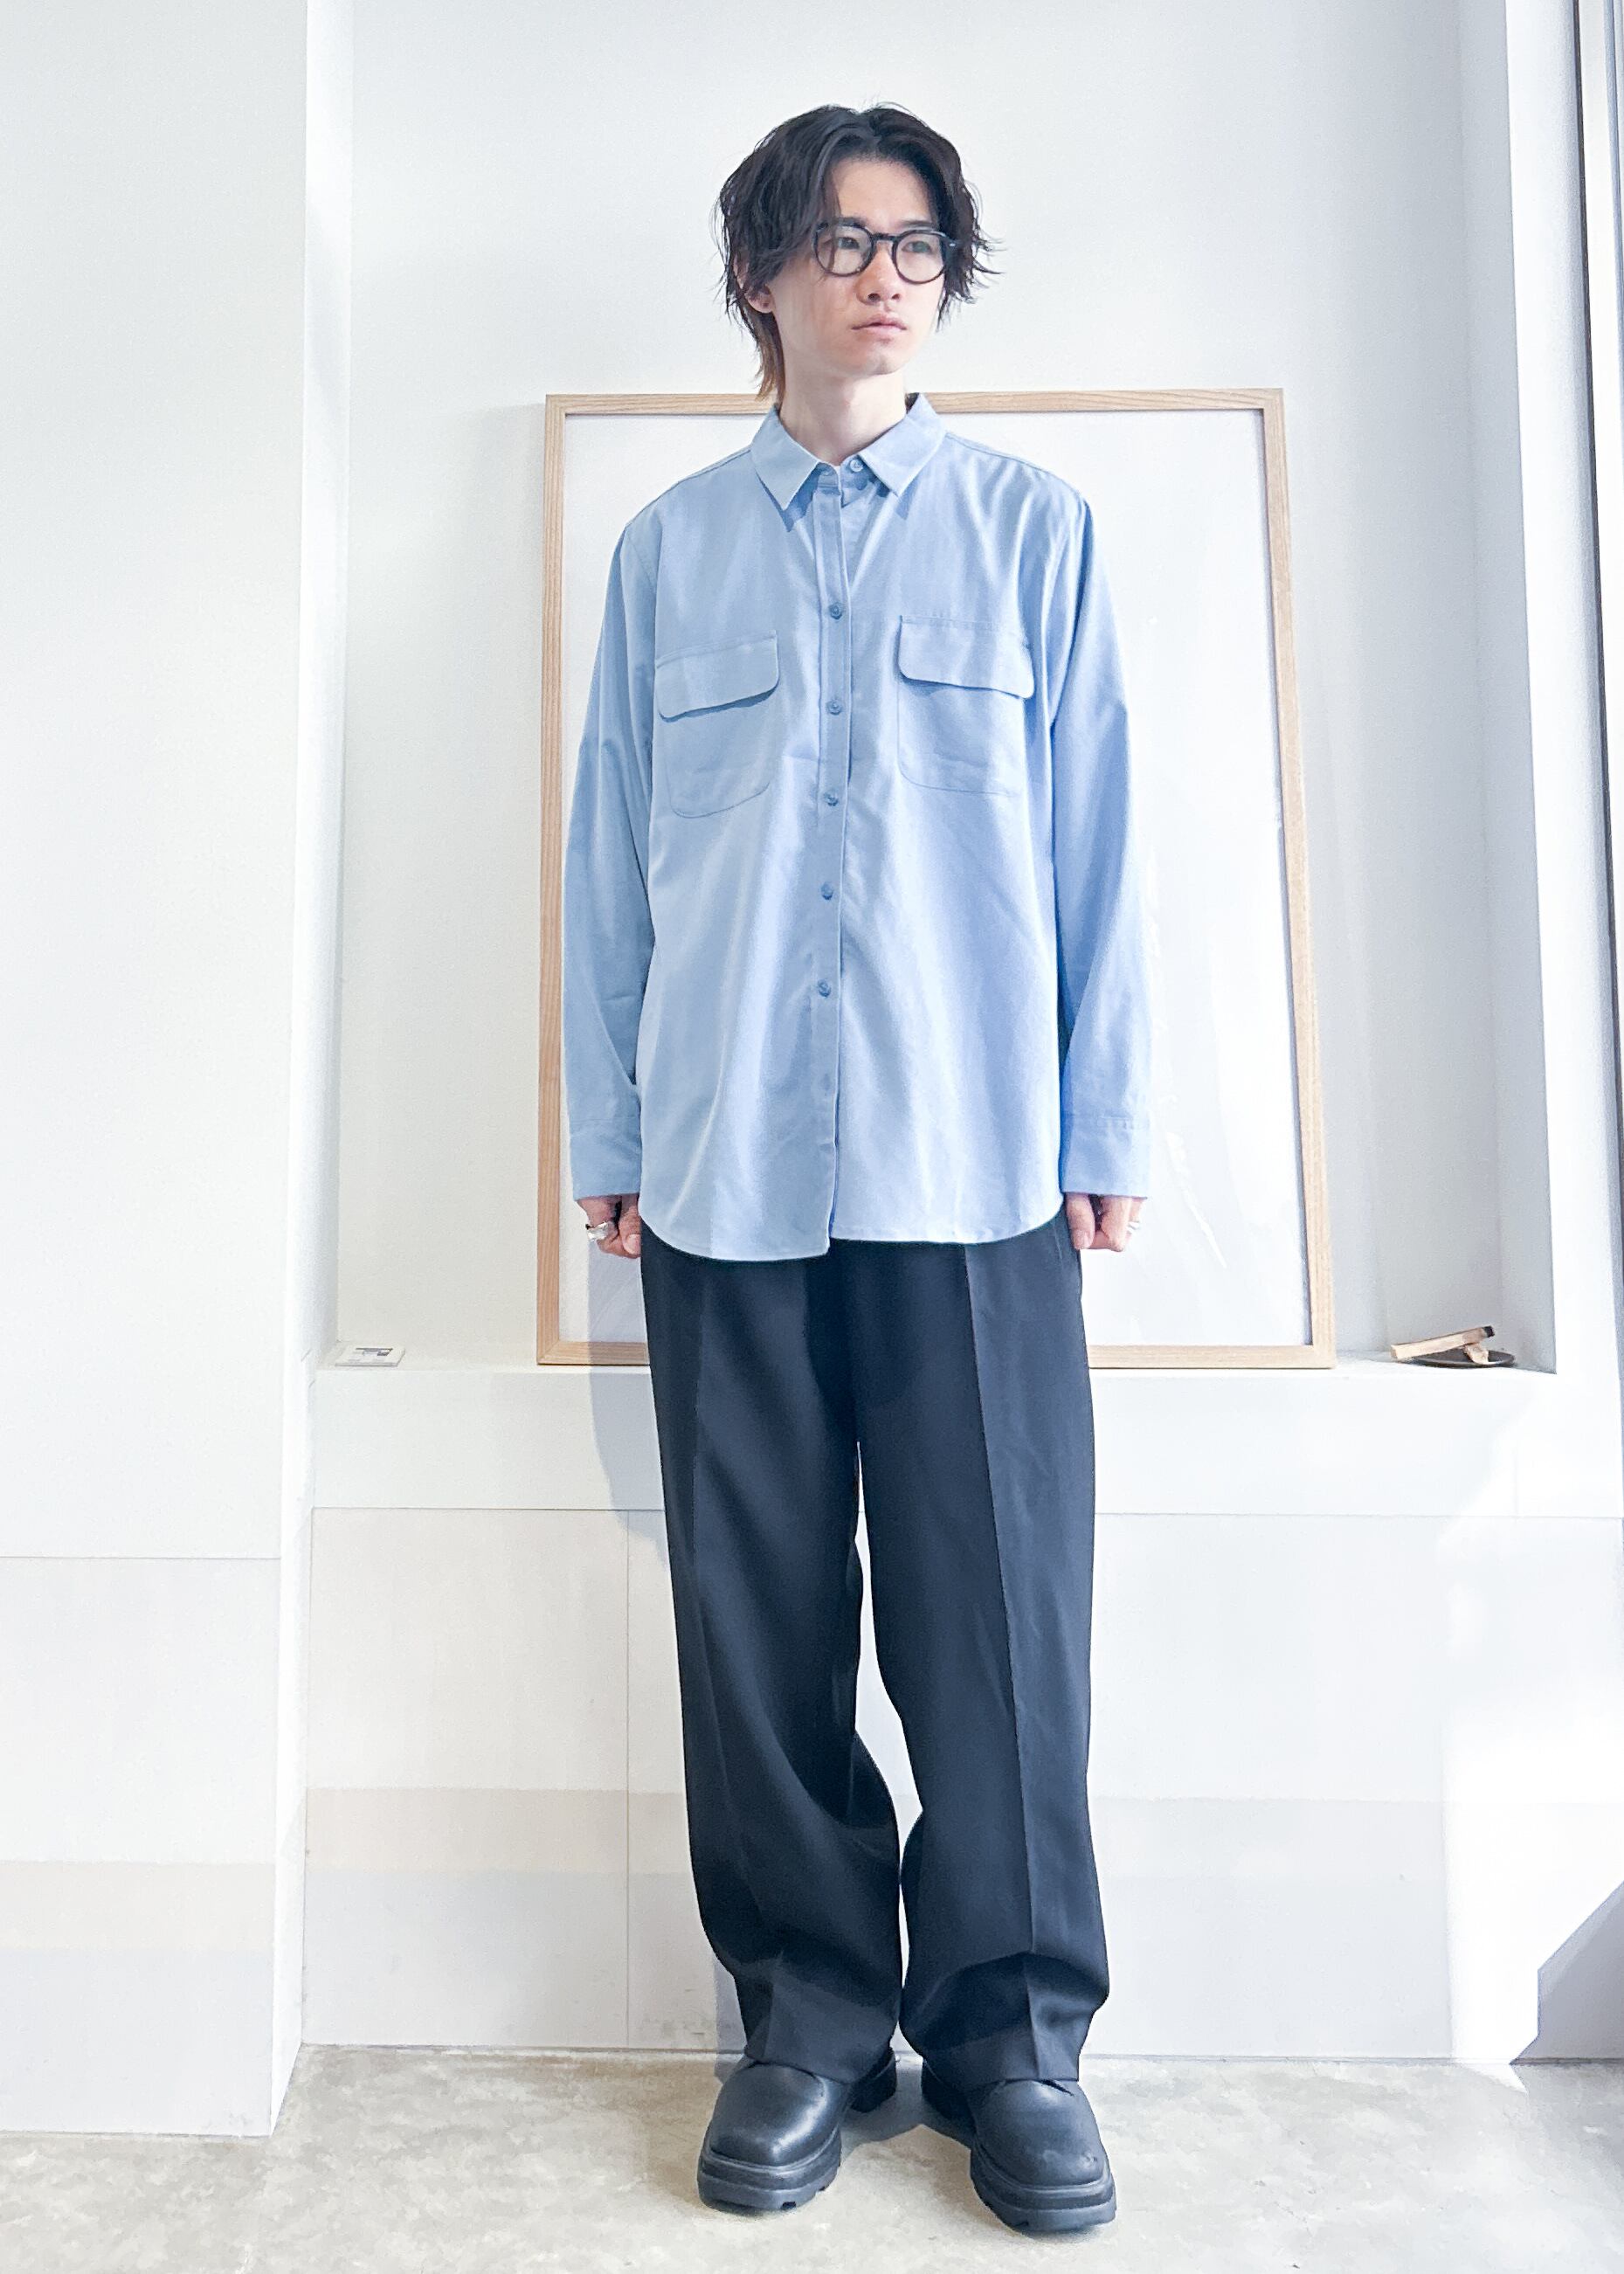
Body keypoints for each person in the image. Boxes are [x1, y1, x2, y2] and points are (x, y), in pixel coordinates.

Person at [563, 100, 1150, 2237]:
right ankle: (808, 2019)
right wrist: (611, 1127)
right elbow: (611, 859)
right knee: (758, 1624)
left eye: (913, 244)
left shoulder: (1033, 534)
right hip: (725, 1165)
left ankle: (1014, 2039)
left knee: (998, 1624)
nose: (882, 275)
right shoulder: (668, 557)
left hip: (974, 1164)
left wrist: (1106, 1123)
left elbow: (1099, 847)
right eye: (837, 240)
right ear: (762, 277)